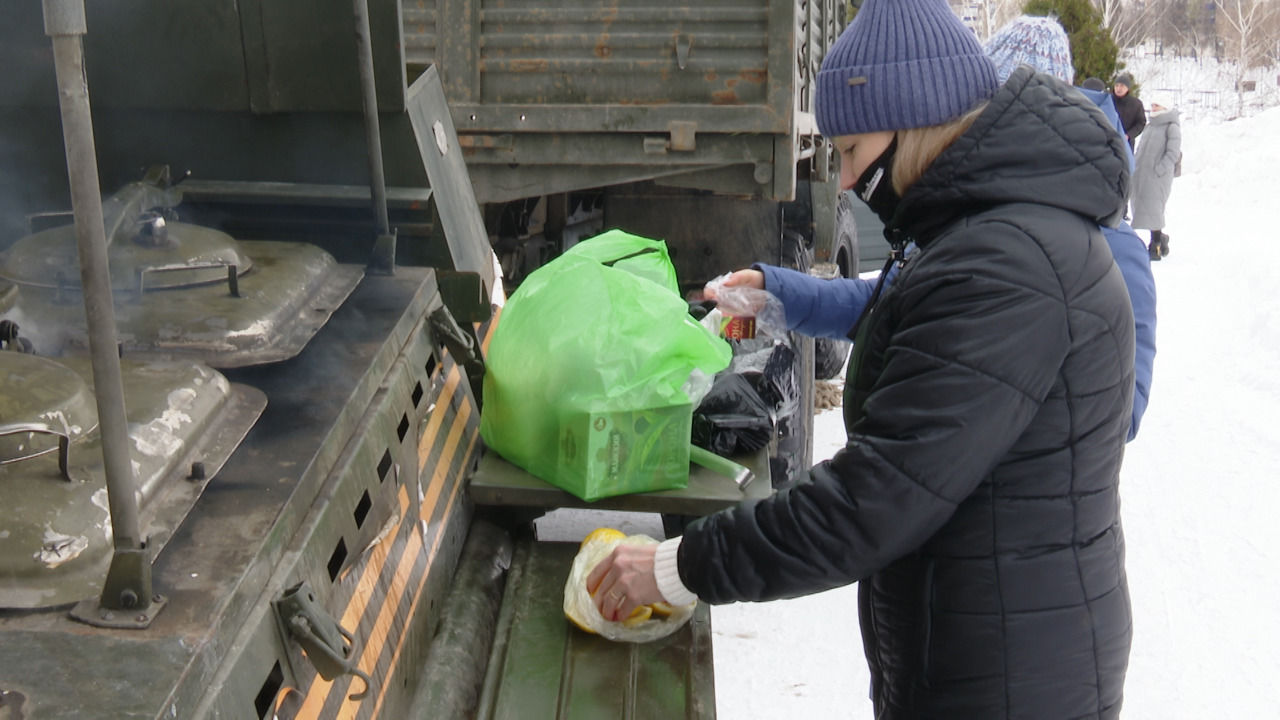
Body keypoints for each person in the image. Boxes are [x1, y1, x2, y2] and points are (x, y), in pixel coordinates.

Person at [588, 1, 1135, 717]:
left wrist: (679, 565)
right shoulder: (983, 230)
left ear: (914, 119)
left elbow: (872, 500)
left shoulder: (1007, 263)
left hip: (1007, 677)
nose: (843, 181)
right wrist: (779, 293)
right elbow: (893, 303)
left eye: (849, 153)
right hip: (980, 648)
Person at [1132, 102, 1182, 260]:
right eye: (1153, 105)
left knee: (1154, 209)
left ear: (1164, 107)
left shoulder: (1171, 127)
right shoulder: (1150, 126)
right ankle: (1161, 239)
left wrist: (1160, 169)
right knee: (1144, 208)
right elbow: (1141, 148)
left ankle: (1156, 245)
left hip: (1158, 176)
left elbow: (1173, 153)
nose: (1153, 109)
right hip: (1143, 173)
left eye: (1157, 106)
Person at [1111, 72, 1147, 150]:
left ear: (1128, 88)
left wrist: (1129, 135)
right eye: (1116, 85)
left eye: (1122, 86)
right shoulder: (1108, 101)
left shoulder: (1136, 104)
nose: (1118, 88)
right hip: (1107, 141)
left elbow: (1141, 123)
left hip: (1126, 143)